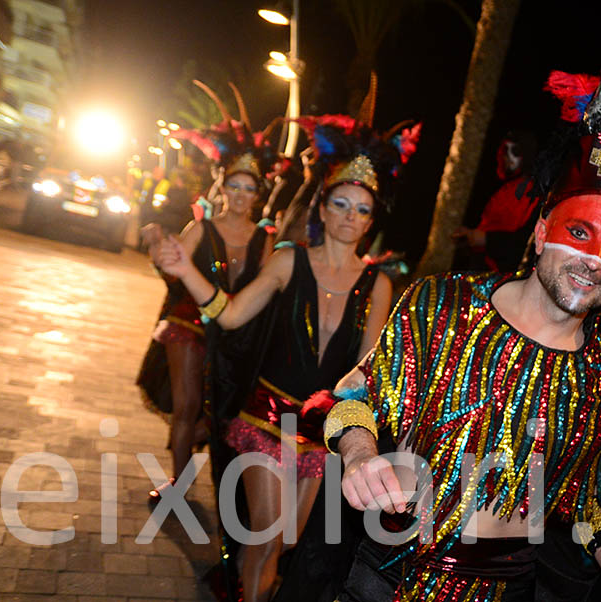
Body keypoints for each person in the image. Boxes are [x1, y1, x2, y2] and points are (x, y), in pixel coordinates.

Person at [320, 2, 601, 598]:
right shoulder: (441, 306)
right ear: (539, 232)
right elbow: (355, 397)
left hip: (503, 589)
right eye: (579, 233)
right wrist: (358, 456)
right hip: (384, 576)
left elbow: (594, 505)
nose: (592, 261)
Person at [157, 112, 420, 602]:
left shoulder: (377, 284)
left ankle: (241, 583)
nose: (349, 216)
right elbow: (231, 316)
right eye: (340, 203)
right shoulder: (287, 260)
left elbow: (365, 366)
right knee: (267, 534)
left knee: (287, 542)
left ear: (371, 219)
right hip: (265, 416)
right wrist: (186, 272)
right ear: (321, 207)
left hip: (319, 434)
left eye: (362, 209)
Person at [137, 81, 278, 501]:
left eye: (248, 188)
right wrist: (158, 249)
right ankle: (177, 485)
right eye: (233, 186)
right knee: (185, 406)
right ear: (223, 188)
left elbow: (266, 291)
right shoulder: (202, 228)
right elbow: (172, 269)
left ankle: (196, 446)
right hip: (189, 324)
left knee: (224, 413)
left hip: (234, 336)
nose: (240, 195)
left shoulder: (264, 240)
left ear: (258, 195)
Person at [451, 130, 538, 272]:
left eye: (515, 151)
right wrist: (471, 237)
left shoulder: (530, 190)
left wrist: (486, 239)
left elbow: (521, 242)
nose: (508, 156)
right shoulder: (506, 188)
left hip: (500, 273)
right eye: (506, 150)